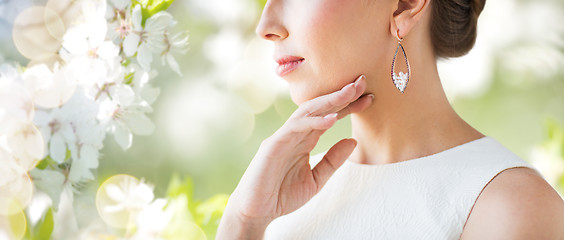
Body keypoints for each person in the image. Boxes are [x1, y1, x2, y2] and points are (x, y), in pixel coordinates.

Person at [217, 0, 564, 238]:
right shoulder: (281, 198)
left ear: (405, 5)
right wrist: (242, 224)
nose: (266, 26)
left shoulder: (509, 209)